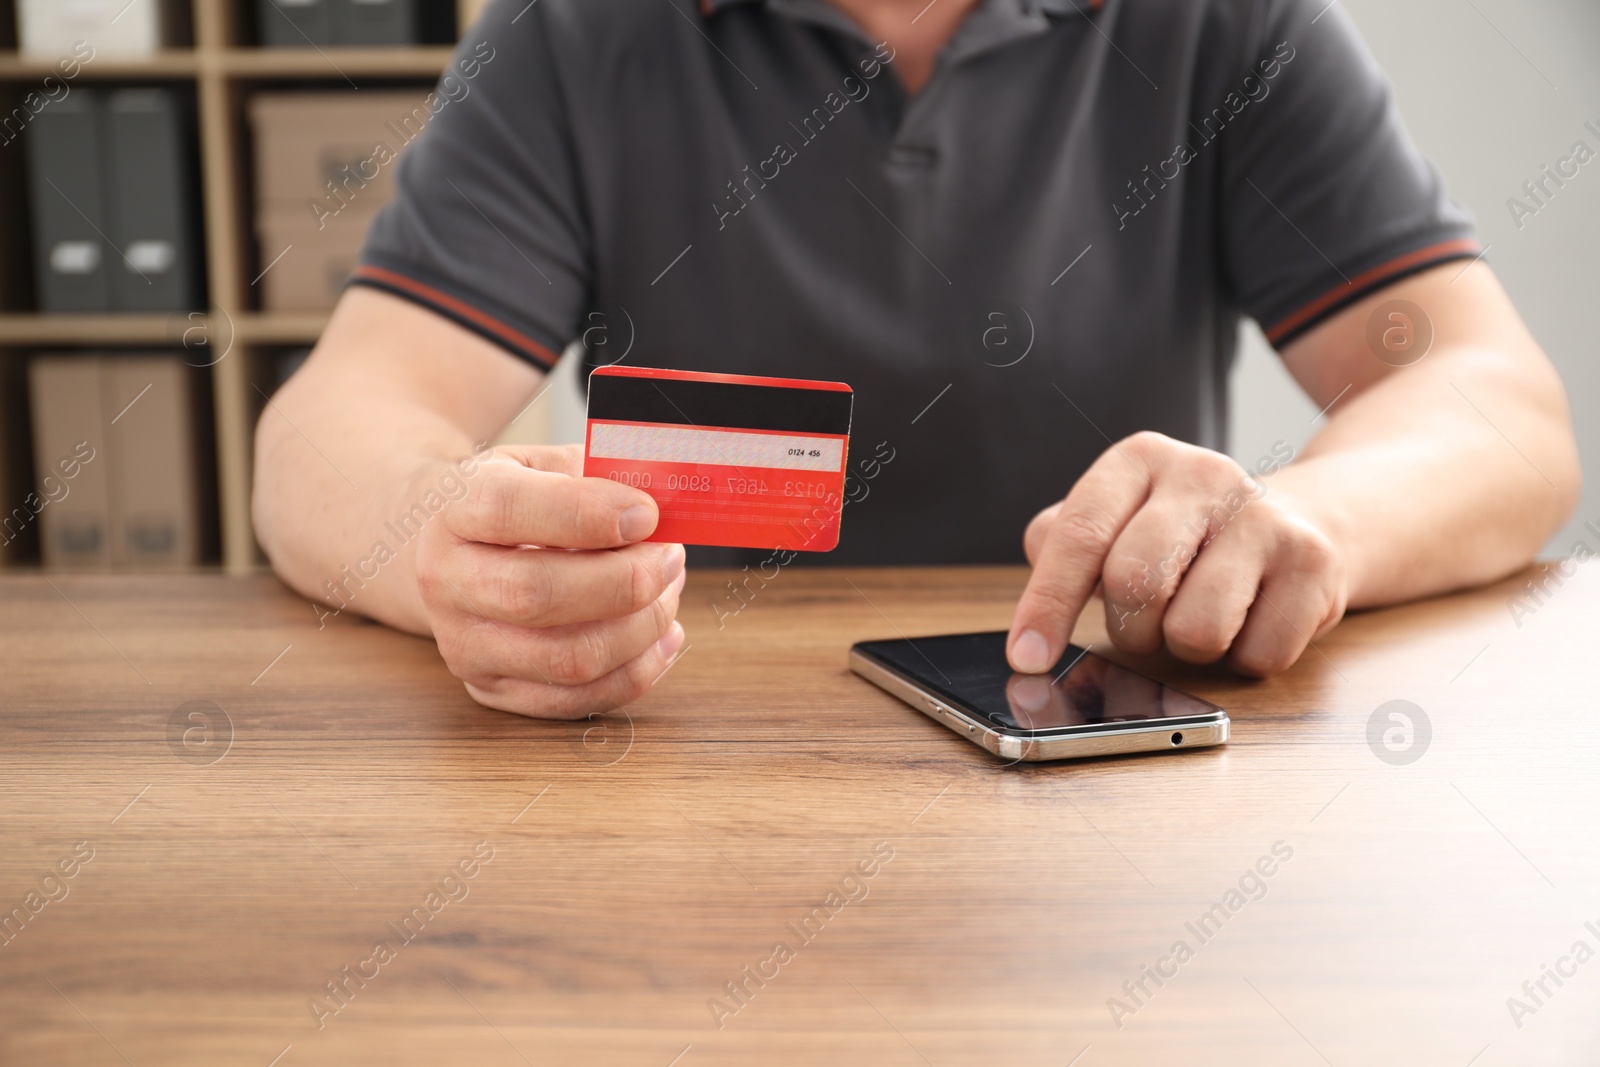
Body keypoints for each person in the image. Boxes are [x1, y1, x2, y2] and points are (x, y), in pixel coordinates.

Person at [252, 0, 1580, 718]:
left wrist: (1304, 519)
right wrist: (447, 548)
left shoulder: (1227, 26)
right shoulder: (574, 37)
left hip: (1123, 800)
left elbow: (1497, 408)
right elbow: (333, 430)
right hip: (694, 764)